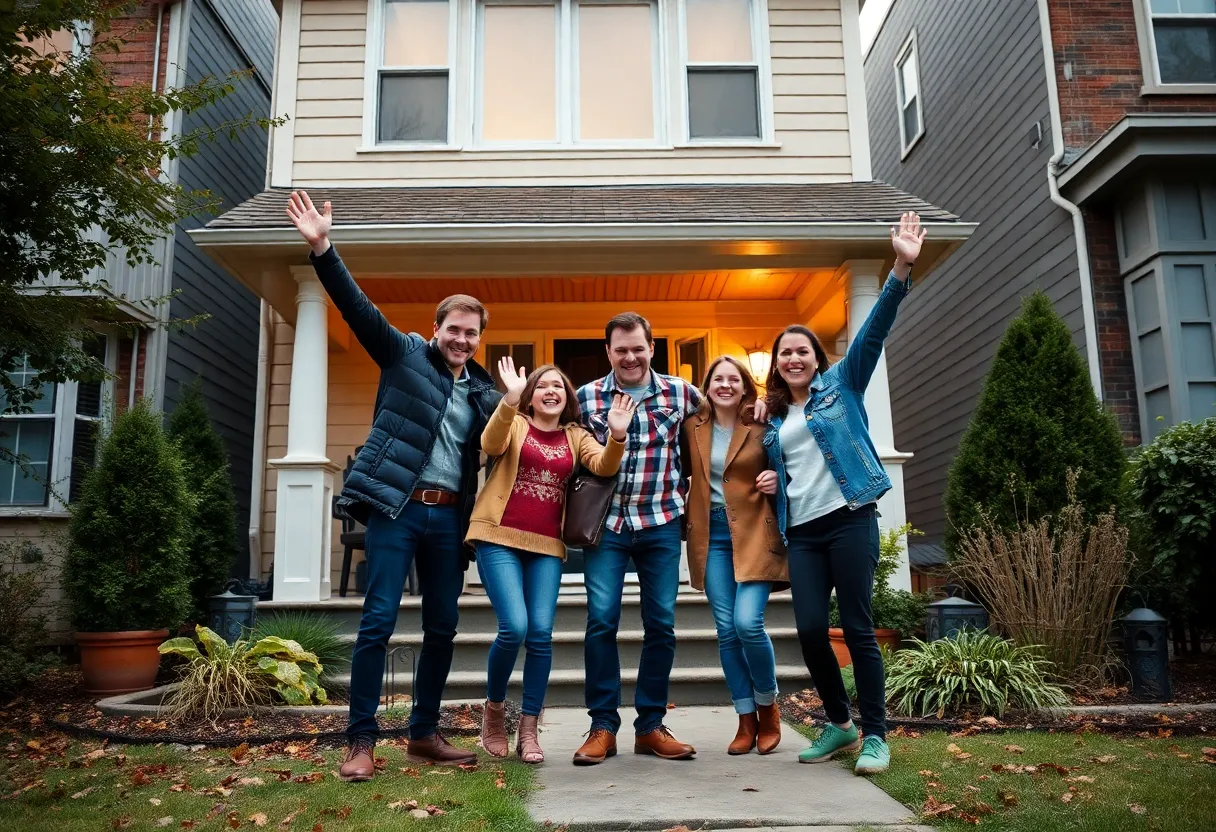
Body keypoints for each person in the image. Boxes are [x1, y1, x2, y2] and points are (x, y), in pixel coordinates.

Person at [285, 191, 502, 781]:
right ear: (436, 330)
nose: (462, 340)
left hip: (449, 520)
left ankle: (423, 734)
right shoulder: (404, 354)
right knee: (378, 620)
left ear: (480, 338)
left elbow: (518, 441)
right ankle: (360, 741)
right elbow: (357, 309)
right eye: (454, 330)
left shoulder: (484, 394)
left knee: (442, 626)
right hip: (396, 509)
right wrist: (323, 248)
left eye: (472, 333)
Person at [761, 212, 926, 776]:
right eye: (785, 353)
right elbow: (782, 468)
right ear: (777, 366)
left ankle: (876, 735)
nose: (794, 358)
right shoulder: (774, 419)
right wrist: (771, 480)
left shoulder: (843, 384)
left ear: (815, 357)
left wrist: (901, 265)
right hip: (803, 533)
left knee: (857, 627)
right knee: (809, 629)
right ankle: (840, 722)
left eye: (802, 350)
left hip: (850, 517)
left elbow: (875, 328)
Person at [468, 358, 636, 764]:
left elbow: (603, 466)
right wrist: (508, 400)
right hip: (497, 535)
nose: (551, 391)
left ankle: (528, 729)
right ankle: (493, 711)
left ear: (567, 398)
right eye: (543, 385)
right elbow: (490, 445)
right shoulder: (517, 422)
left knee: (540, 634)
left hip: (546, 545)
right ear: (531, 394)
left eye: (559, 387)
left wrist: (616, 436)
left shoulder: (575, 435)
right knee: (515, 627)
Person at [572, 312, 704, 766]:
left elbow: (724, 418)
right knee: (601, 622)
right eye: (621, 349)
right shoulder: (585, 397)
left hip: (661, 522)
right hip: (605, 527)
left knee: (661, 625)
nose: (630, 356)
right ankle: (602, 727)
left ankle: (649, 726)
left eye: (638, 348)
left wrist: (759, 408)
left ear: (652, 348)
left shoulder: (681, 393)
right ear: (608, 351)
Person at [683, 356, 788, 756]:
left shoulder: (763, 424)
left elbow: (792, 459)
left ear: (746, 386)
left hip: (755, 533)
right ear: (706, 386)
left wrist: (779, 477)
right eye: (717, 379)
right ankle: (745, 719)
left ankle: (768, 706)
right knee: (726, 630)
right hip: (710, 537)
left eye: (733, 379)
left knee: (748, 622)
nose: (725, 385)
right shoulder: (691, 427)